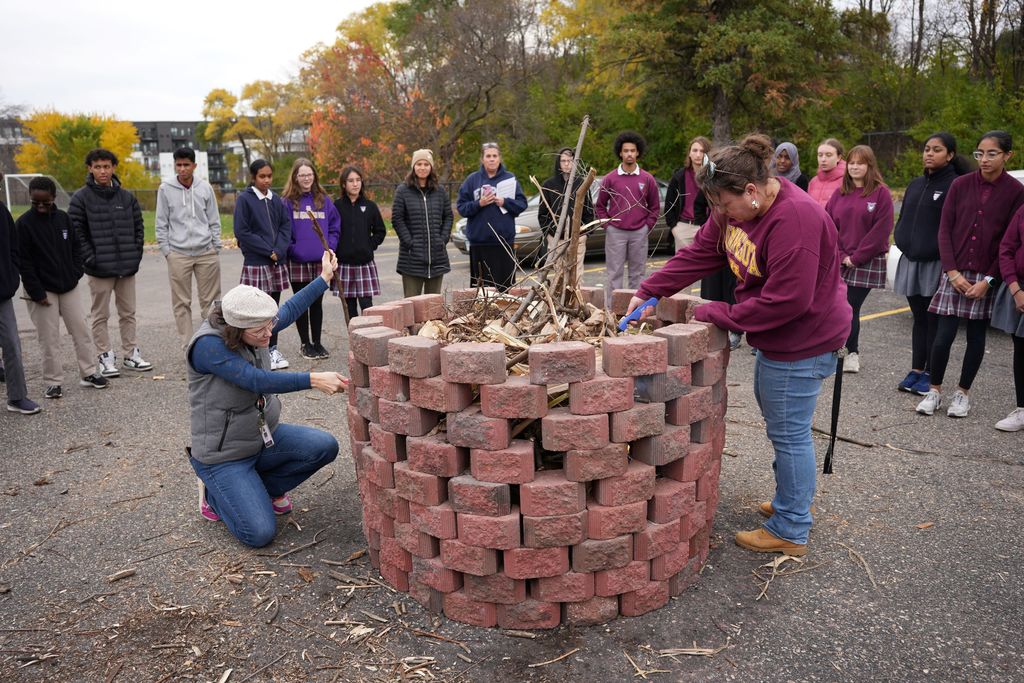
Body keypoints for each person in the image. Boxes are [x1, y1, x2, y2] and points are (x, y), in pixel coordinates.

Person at [625, 133, 852, 557]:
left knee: (789, 434)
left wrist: (715, 313)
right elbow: (702, 253)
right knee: (784, 428)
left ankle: (791, 526)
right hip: (780, 337)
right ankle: (791, 500)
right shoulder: (737, 209)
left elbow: (788, 301)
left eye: (724, 205)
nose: (721, 214)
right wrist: (650, 290)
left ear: (751, 191)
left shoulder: (795, 221)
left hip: (803, 340)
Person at [186, 249, 348, 548]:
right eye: (261, 330)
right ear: (236, 329)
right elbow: (255, 379)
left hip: (263, 439)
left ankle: (261, 489)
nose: (269, 334)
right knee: (259, 533)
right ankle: (213, 494)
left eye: (270, 326)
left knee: (324, 446)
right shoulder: (208, 347)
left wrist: (324, 278)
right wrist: (312, 379)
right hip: (224, 456)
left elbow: (287, 311)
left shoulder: (256, 324)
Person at [917, 130, 1024, 418]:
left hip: (987, 277)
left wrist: (989, 281)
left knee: (977, 338)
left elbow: (1008, 242)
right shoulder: (960, 184)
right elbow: (945, 230)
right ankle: (934, 390)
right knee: (943, 335)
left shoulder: (1016, 192)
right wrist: (952, 272)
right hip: (955, 271)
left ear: (1007, 156)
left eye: (992, 154)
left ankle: (962, 394)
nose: (984, 159)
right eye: (979, 153)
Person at [16, 176, 108, 399]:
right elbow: (24, 262)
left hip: (69, 286)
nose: (40, 207)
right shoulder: (24, 224)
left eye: (45, 202)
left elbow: (77, 248)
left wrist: (76, 272)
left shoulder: (64, 219)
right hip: (41, 291)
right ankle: (53, 381)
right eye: (35, 202)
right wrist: (37, 293)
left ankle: (88, 373)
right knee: (49, 338)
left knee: (81, 330)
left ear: (53, 198)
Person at [892, 133, 967, 395]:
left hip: (937, 263)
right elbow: (903, 220)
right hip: (911, 261)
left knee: (934, 321)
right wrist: (902, 239)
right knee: (919, 319)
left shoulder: (956, 185)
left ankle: (931, 375)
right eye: (926, 149)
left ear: (950, 155)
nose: (929, 154)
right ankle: (916, 369)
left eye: (937, 150)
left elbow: (956, 229)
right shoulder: (915, 184)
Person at [70, 148, 152, 377]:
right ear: (90, 169)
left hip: (126, 267)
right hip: (98, 269)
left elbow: (139, 228)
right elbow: (77, 233)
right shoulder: (80, 198)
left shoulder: (126, 198)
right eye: (97, 167)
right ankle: (105, 356)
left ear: (113, 167)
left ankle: (131, 354)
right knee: (100, 315)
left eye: (106, 166)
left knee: (128, 313)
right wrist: (91, 258)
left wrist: (135, 255)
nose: (103, 171)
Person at [825, 145, 894, 374]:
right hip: (841, 258)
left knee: (850, 306)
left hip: (866, 261)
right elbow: (828, 227)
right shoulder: (840, 193)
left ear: (869, 166)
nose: (855, 167)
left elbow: (881, 230)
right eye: (852, 162)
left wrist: (857, 257)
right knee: (836, 305)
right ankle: (837, 348)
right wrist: (843, 255)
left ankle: (851, 353)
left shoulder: (881, 193)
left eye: (860, 163)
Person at [156, 147, 223, 349]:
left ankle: (211, 342)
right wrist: (167, 251)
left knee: (211, 302)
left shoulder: (205, 188)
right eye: (179, 165)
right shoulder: (165, 189)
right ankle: (188, 345)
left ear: (194, 165)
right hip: (178, 253)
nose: (182, 169)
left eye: (186, 164)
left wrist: (215, 245)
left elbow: (214, 219)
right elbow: (161, 222)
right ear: (174, 165)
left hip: (206, 252)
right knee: (181, 303)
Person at [233, 159, 292, 370]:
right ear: (253, 177)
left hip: (276, 262)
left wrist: (280, 249)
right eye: (262, 176)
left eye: (269, 176)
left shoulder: (276, 200)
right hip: (257, 262)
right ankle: (254, 352)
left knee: (272, 308)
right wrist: (268, 251)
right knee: (255, 308)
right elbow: (242, 231)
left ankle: (272, 350)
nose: (266, 180)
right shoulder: (245, 200)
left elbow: (286, 226)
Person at [282, 158, 340, 359]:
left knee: (317, 303)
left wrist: (329, 247)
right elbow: (284, 230)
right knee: (301, 304)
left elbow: (334, 227)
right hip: (297, 261)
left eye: (309, 174)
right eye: (302, 175)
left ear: (314, 176)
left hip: (320, 261)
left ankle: (317, 342)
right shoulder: (288, 202)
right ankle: (305, 344)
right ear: (295, 178)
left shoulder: (323, 201)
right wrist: (293, 249)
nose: (306, 178)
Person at [595, 131, 661, 305]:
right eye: (626, 151)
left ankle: (634, 311)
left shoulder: (647, 179)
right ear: (620, 153)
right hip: (615, 232)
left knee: (637, 274)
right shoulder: (610, 178)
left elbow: (654, 207)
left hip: (639, 232)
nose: (629, 154)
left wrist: (647, 226)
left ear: (638, 152)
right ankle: (612, 310)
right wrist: (607, 225)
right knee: (614, 273)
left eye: (633, 150)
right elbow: (600, 206)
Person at [456, 143, 528, 292]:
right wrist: (479, 203)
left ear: (499, 158)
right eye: (488, 156)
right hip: (480, 244)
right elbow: (461, 208)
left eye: (494, 156)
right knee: (482, 291)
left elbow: (522, 204)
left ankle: (507, 315)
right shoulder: (472, 180)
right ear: (482, 159)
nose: (491, 159)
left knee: (505, 289)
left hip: (503, 243)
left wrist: (505, 202)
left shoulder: (509, 179)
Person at [0, 195, 41, 414]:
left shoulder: (3, 212)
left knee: (12, 345)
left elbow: (13, 248)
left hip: (2, 293)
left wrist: (12, 275)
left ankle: (17, 397)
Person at [392, 150, 452, 298]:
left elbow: (448, 216)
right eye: (419, 164)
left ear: (431, 167)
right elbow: (397, 219)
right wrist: (409, 242)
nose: (422, 167)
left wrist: (442, 239)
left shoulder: (440, 191)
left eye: (426, 164)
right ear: (413, 166)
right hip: (411, 260)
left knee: (432, 306)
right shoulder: (402, 191)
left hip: (437, 258)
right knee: (412, 306)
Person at [538, 147, 595, 283]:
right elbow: (542, 214)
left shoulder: (581, 183)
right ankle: (560, 304)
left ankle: (575, 303)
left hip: (577, 237)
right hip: (557, 239)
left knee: (577, 275)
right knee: (559, 274)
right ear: (558, 163)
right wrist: (550, 235)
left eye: (570, 160)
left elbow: (588, 211)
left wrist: (585, 233)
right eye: (563, 161)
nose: (566, 164)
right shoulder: (549, 185)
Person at [335, 165, 386, 316]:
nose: (355, 184)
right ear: (344, 184)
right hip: (344, 264)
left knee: (367, 307)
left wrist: (369, 246)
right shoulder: (337, 206)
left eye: (358, 180)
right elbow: (332, 231)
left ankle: (368, 337)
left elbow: (380, 231)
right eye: (351, 180)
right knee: (350, 308)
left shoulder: (370, 206)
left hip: (364, 264)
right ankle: (354, 338)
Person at [992, 204, 1024, 431]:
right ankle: (1022, 409)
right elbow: (1006, 249)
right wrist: (1015, 290)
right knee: (1021, 347)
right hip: (1019, 290)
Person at [665, 136, 711, 251]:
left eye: (702, 151)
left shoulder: (712, 177)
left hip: (706, 228)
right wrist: (675, 229)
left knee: (705, 267)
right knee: (682, 268)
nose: (698, 154)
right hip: (684, 228)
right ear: (689, 154)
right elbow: (669, 205)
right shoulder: (679, 177)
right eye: (695, 150)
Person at [807, 138, 846, 208]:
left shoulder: (846, 181)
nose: (823, 159)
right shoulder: (813, 182)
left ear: (839, 157)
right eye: (820, 155)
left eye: (828, 155)